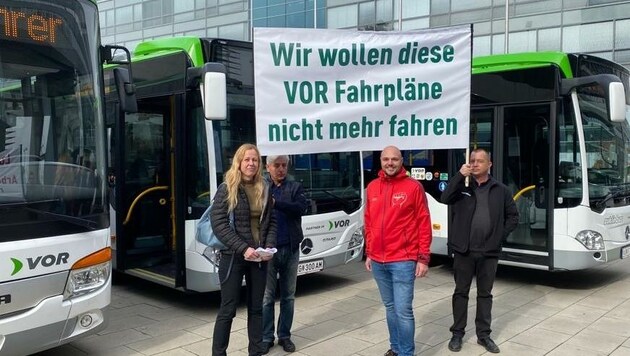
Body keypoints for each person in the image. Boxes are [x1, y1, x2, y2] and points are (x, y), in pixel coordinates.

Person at [441, 148, 519, 354]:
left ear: (489, 164)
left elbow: (513, 216)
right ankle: (457, 334)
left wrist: (498, 236)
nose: (475, 164)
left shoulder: (500, 190)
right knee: (461, 292)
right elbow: (444, 197)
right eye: (472, 161)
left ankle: (484, 335)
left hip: (489, 251)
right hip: (463, 250)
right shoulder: (463, 186)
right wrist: (459, 175)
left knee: (485, 294)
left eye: (479, 161)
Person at [364, 145, 432, 356]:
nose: (390, 163)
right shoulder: (373, 187)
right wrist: (369, 252)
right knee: (391, 308)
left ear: (402, 161)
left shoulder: (413, 187)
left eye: (394, 159)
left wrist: (423, 258)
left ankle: (406, 353)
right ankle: (395, 348)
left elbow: (423, 222)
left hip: (403, 259)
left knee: (403, 311)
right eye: (386, 159)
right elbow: (368, 221)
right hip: (377, 260)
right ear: (381, 161)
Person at [211, 143, 277, 356]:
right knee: (228, 310)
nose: (251, 163)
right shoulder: (227, 188)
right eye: (247, 159)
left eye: (255, 160)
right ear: (238, 163)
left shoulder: (264, 186)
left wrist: (269, 246)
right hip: (233, 257)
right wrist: (243, 249)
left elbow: (271, 220)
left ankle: (255, 352)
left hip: (259, 256)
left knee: (256, 308)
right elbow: (218, 223)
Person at [261, 155, 308, 354]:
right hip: (268, 250)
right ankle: (266, 337)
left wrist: (276, 203)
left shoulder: (294, 187)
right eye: (276, 165)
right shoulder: (261, 186)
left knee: (288, 296)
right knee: (267, 297)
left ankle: (285, 336)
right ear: (268, 166)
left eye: (284, 165)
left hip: (290, 247)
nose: (281, 169)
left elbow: (301, 208)